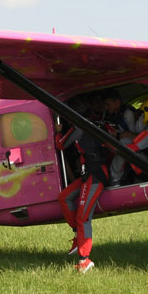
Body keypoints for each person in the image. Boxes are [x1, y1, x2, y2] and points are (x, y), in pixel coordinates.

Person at [56, 98, 113, 274]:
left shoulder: (78, 127)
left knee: (83, 217)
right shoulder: (91, 124)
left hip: (94, 175)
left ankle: (84, 260)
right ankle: (77, 236)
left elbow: (61, 144)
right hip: (89, 174)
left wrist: (58, 131)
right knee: (64, 197)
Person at [109, 95, 148, 187]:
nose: (141, 117)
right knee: (125, 142)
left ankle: (114, 179)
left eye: (142, 114)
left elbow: (133, 146)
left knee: (124, 146)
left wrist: (112, 144)